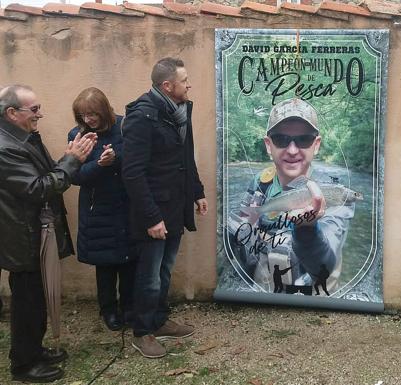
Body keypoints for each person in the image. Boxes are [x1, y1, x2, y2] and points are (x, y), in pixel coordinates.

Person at [0, 84, 96, 383]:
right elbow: (37, 188)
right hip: (22, 237)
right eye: (34, 109)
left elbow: (44, 175)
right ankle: (24, 365)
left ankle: (35, 351)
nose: (40, 114)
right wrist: (72, 160)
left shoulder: (23, 137)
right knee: (27, 302)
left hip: (33, 234)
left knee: (35, 298)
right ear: (12, 113)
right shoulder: (5, 147)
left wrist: (67, 158)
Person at [122, 57, 208, 359]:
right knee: (149, 274)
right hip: (153, 214)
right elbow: (132, 173)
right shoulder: (141, 118)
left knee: (165, 269)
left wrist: (197, 192)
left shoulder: (179, 113)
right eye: (184, 81)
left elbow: (187, 157)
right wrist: (151, 217)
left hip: (175, 208)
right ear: (167, 86)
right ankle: (142, 331)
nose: (189, 85)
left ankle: (159, 320)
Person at [227, 98, 355, 296]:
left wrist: (307, 230)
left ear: (316, 144)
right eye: (281, 139)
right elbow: (245, 228)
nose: (293, 150)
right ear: (269, 145)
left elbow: (325, 264)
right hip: (267, 290)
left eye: (304, 139)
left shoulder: (335, 193)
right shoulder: (260, 183)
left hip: (314, 298)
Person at [68, 88, 136, 331]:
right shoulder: (78, 135)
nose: (88, 120)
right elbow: (75, 176)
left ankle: (129, 307)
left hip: (127, 205)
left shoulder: (125, 126)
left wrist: (115, 158)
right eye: (83, 115)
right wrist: (99, 165)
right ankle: (108, 310)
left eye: (92, 114)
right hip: (98, 209)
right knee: (105, 265)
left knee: (130, 261)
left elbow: (137, 159)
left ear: (104, 109)